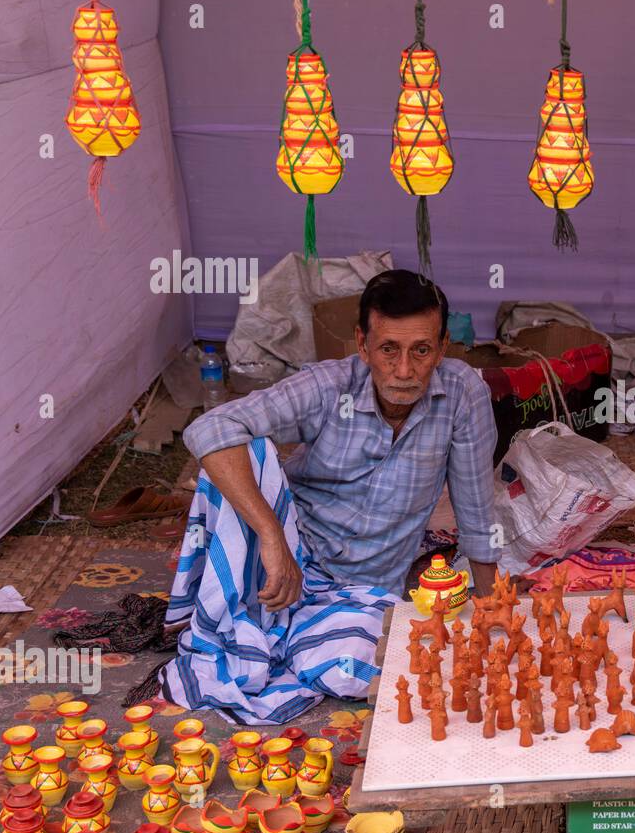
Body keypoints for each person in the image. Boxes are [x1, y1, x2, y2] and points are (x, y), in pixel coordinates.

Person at [156, 270, 500, 724]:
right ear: (362, 345)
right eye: (388, 349)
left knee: (372, 668)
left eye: (421, 350)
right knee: (239, 452)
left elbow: (476, 510)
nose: (404, 370)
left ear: (441, 349)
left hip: (360, 591)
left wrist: (495, 613)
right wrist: (273, 535)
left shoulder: (462, 395)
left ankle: (275, 639)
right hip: (281, 561)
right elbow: (209, 429)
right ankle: (249, 628)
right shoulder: (327, 386)